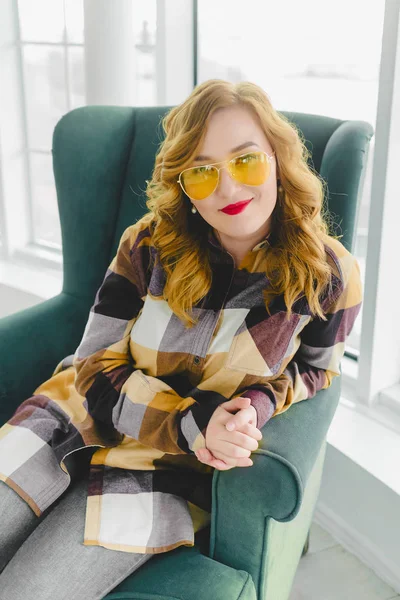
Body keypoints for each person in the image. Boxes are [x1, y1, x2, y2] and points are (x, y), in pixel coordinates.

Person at [0, 78, 363, 599]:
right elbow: (94, 367)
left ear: (279, 158)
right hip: (70, 417)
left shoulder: (329, 275)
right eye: (201, 171)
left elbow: (316, 369)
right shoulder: (147, 242)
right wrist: (195, 424)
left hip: (161, 472)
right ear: (184, 185)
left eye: (246, 161)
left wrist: (259, 403)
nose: (229, 189)